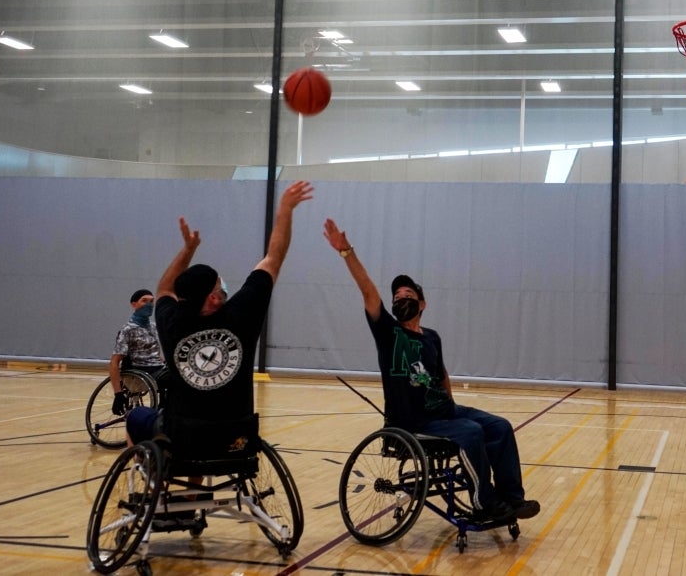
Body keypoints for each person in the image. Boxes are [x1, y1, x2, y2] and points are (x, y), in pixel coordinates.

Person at [322, 216, 540, 524]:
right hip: (412, 421)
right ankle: (484, 502)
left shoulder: (432, 337)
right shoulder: (388, 333)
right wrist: (347, 252)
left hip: (443, 413)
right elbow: (369, 291)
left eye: (408, 297)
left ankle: (512, 499)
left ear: (422, 304)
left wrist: (449, 406)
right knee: (472, 432)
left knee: (500, 426)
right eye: (397, 298)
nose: (401, 300)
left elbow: (442, 375)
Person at [126, 180, 313, 447]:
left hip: (185, 434)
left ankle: (150, 482)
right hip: (236, 433)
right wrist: (285, 209)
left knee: (135, 418)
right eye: (218, 283)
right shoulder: (241, 314)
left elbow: (164, 287)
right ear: (214, 297)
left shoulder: (170, 322)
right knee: (207, 435)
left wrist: (187, 250)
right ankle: (194, 489)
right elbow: (274, 257)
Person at [109, 288, 165, 416]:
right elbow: (114, 362)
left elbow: (153, 354)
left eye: (151, 301)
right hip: (140, 370)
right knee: (172, 378)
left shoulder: (154, 327)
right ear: (134, 304)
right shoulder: (127, 330)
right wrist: (118, 394)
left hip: (157, 368)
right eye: (144, 301)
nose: (149, 305)